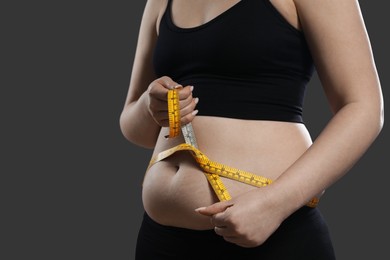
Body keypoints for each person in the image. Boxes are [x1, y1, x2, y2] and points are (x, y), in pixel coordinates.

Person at [120, 0, 384, 259]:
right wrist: (149, 107)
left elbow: (364, 108)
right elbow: (135, 127)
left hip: (272, 233)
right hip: (161, 240)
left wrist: (274, 204)